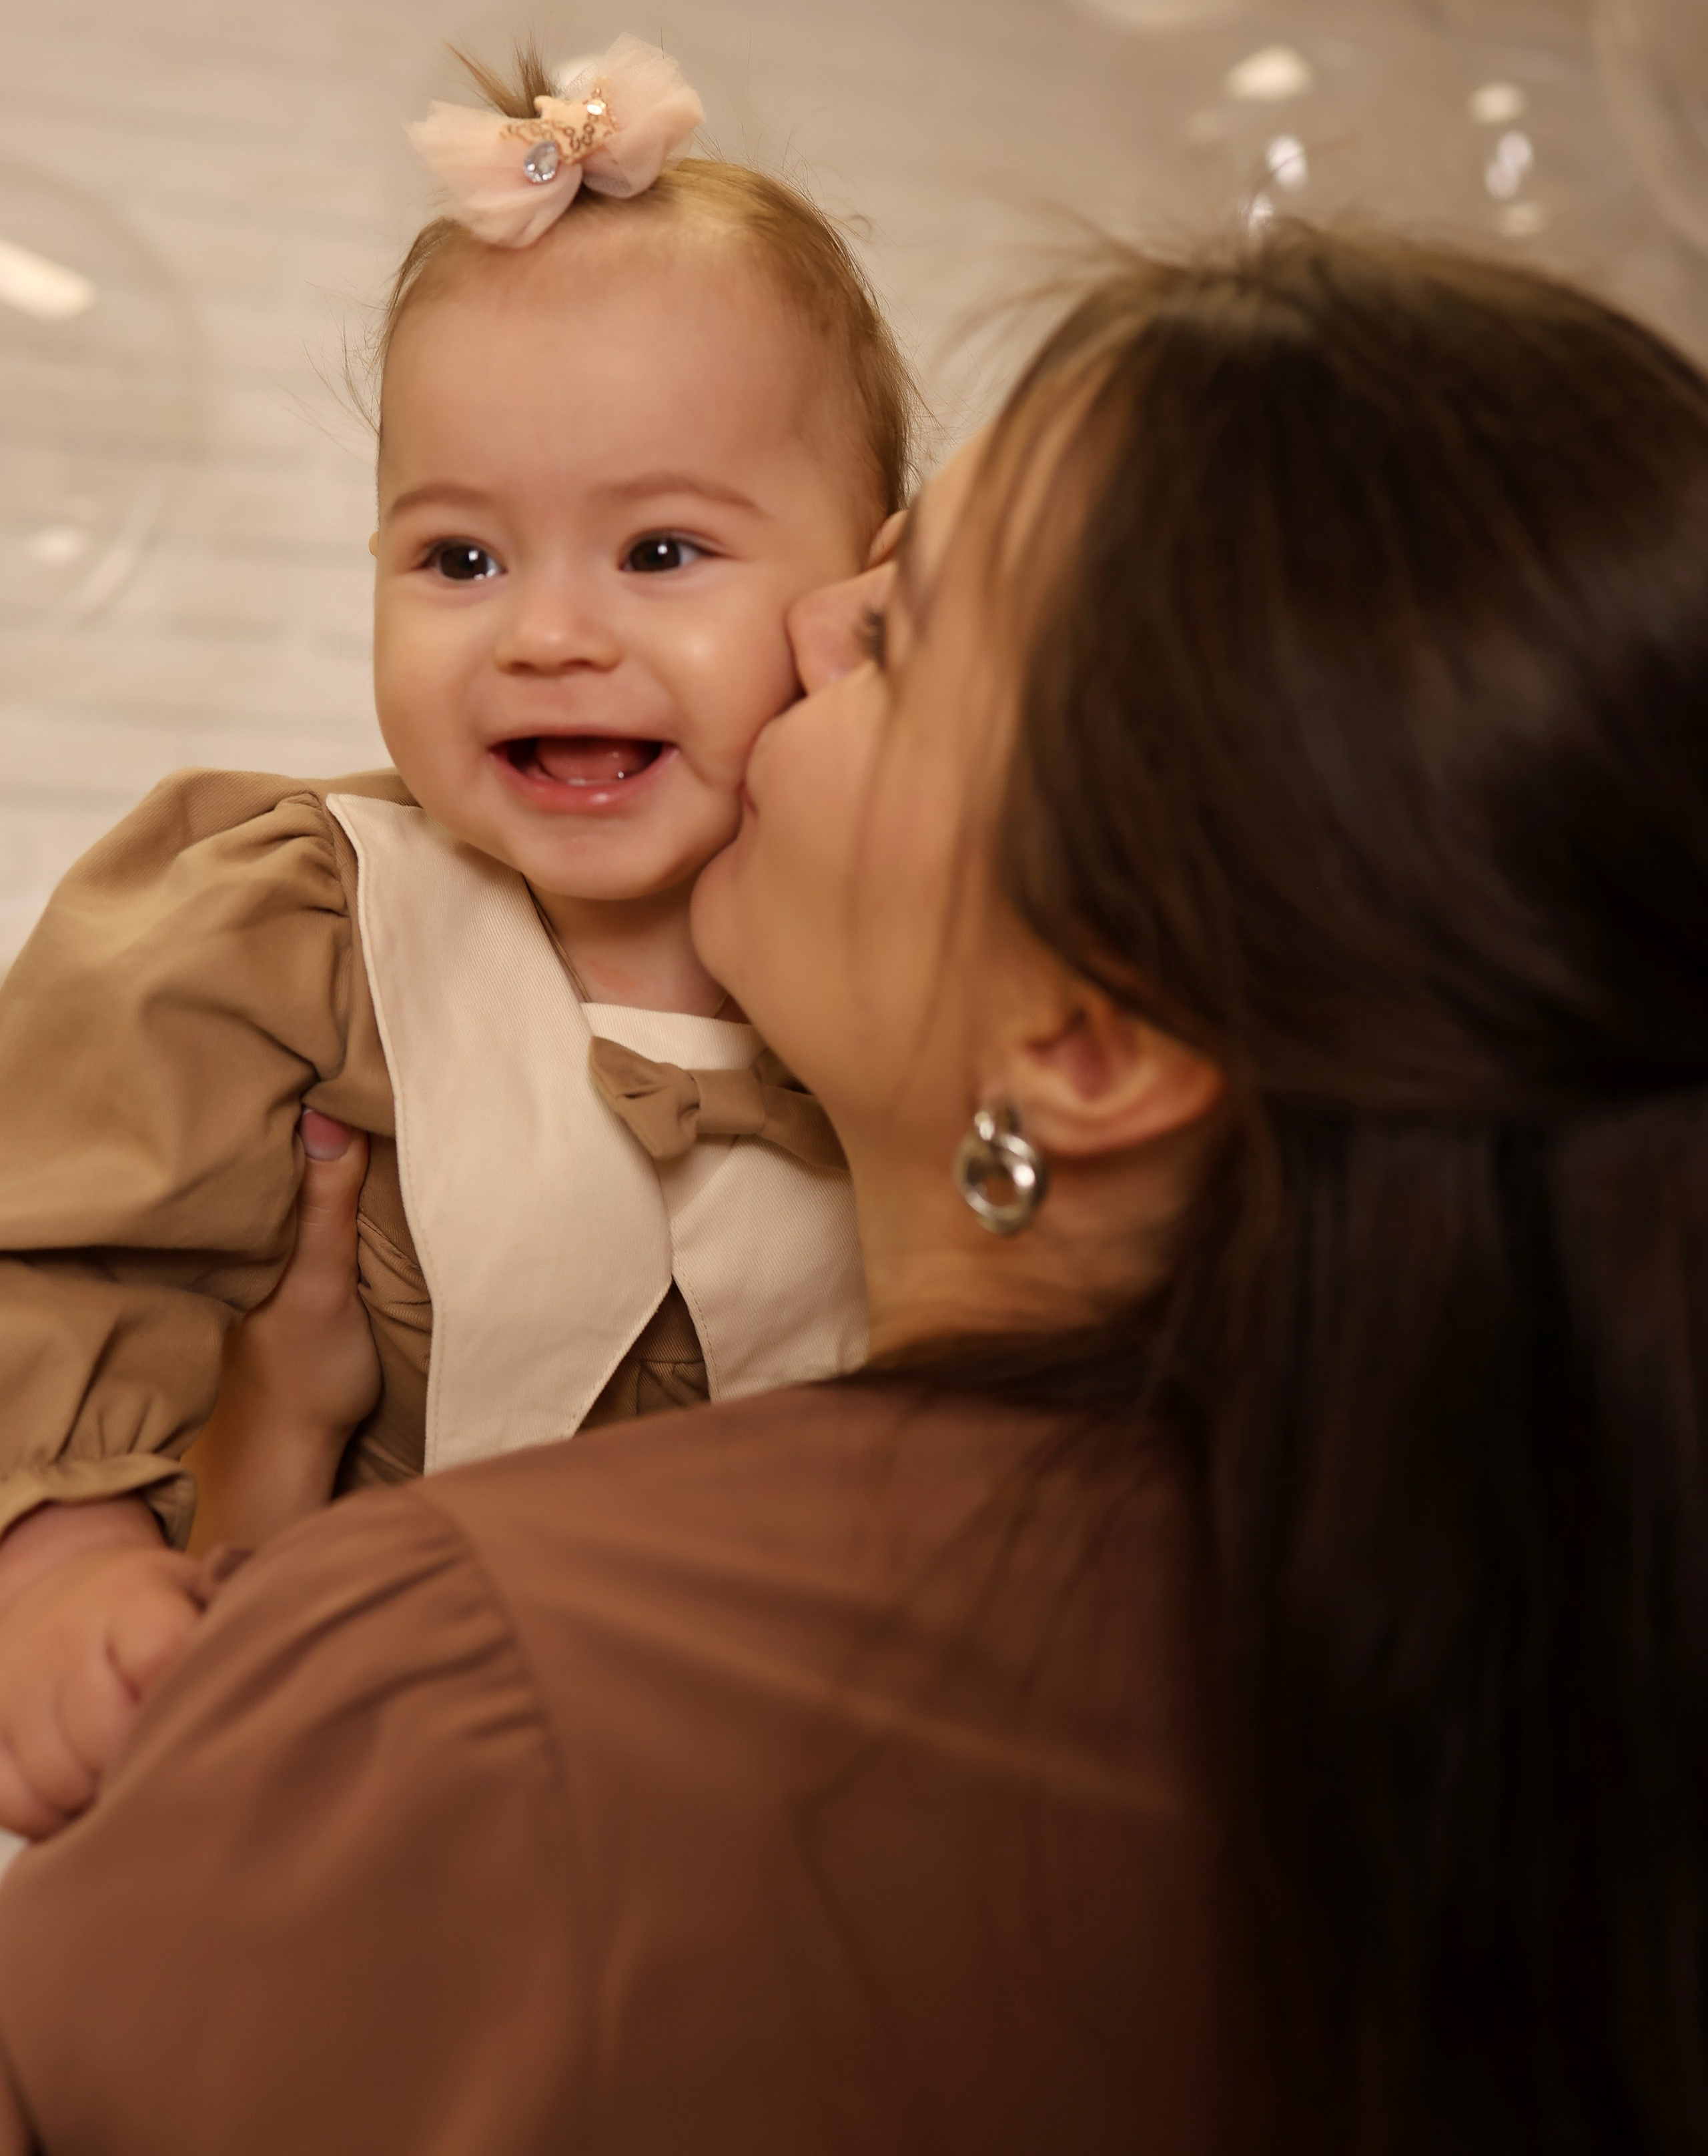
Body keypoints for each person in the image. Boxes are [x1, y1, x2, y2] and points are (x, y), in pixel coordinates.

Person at [4, 222, 1707, 2153]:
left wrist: (276, 1570)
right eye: (458, 553)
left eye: (894, 627)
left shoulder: (478, 1690)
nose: (812, 627)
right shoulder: (1496, 1664)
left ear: (1088, 1038)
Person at [0, 32, 913, 1839]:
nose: (545, 636)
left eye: (659, 554)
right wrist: (63, 1567)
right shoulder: (303, 919)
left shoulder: (906, 974)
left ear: (865, 596)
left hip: (758, 1813)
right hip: (348, 1785)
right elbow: (52, 1244)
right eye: (459, 560)